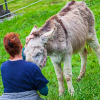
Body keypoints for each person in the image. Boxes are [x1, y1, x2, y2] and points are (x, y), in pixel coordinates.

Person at [0, 32, 49, 100]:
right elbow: (44, 92)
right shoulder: (32, 67)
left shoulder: (3, 67)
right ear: (20, 46)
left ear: (6, 50)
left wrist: (26, 46)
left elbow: (20, 64)